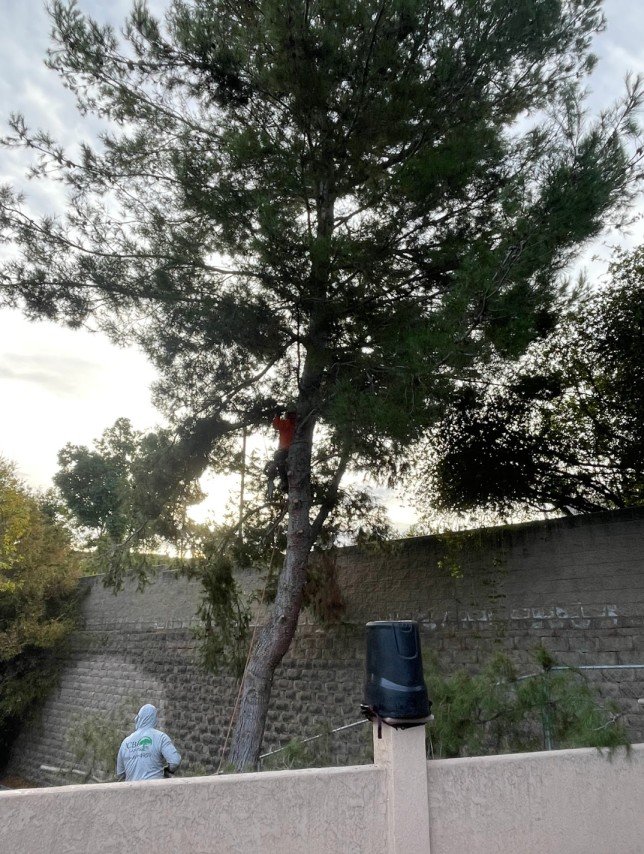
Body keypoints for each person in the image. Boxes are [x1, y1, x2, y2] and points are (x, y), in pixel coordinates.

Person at [116, 703, 181, 782]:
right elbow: (175, 761)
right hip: (155, 790)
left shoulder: (125, 743)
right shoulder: (161, 737)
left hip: (132, 791)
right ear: (154, 719)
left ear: (139, 718)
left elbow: (120, 774)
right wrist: (168, 771)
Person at [265, 409, 297, 497]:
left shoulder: (287, 424)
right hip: (290, 451)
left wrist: (277, 415)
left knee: (280, 463)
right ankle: (285, 481)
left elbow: (275, 425)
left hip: (287, 450)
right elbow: (276, 425)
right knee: (280, 462)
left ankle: (285, 482)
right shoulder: (295, 425)